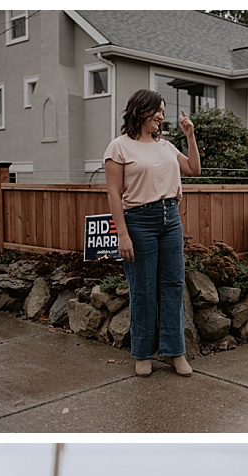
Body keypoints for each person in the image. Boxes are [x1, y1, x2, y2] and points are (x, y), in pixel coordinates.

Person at [104, 90, 202, 378]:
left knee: (173, 285)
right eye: (157, 110)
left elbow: (194, 169)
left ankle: (175, 352)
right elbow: (113, 193)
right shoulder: (119, 147)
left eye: (162, 110)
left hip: (170, 218)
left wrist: (190, 136)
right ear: (140, 111)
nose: (161, 115)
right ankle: (143, 353)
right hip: (138, 221)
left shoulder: (166, 146)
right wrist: (122, 234)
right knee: (143, 289)